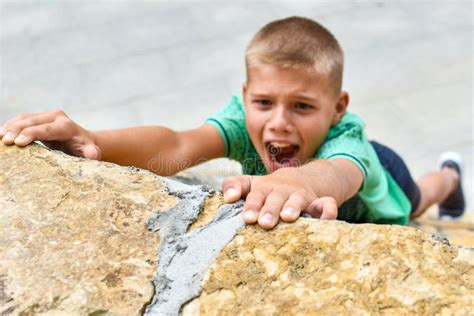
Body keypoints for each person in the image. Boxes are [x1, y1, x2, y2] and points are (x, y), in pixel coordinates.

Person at [0, 17, 465, 229]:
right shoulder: (244, 120)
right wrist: (92, 138)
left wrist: (301, 179)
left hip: (382, 179)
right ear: (245, 98)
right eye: (264, 102)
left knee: (423, 198)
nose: (278, 123)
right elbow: (178, 145)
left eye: (302, 107)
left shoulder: (350, 139)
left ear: (338, 107)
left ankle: (451, 176)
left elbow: (338, 174)